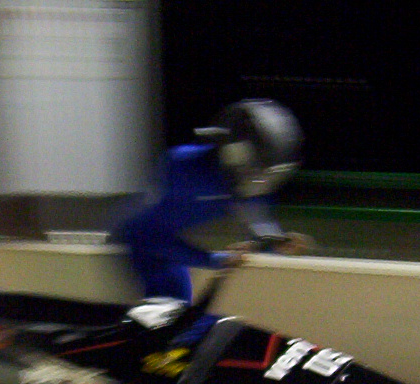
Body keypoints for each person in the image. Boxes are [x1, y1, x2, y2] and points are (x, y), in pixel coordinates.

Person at [109, 98, 313, 307]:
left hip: (161, 240)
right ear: (233, 155)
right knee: (169, 311)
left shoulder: (246, 178)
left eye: (268, 176)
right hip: (135, 240)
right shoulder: (184, 169)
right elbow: (147, 237)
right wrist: (214, 259)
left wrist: (276, 241)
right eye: (256, 172)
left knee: (180, 315)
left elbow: (258, 223)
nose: (260, 184)